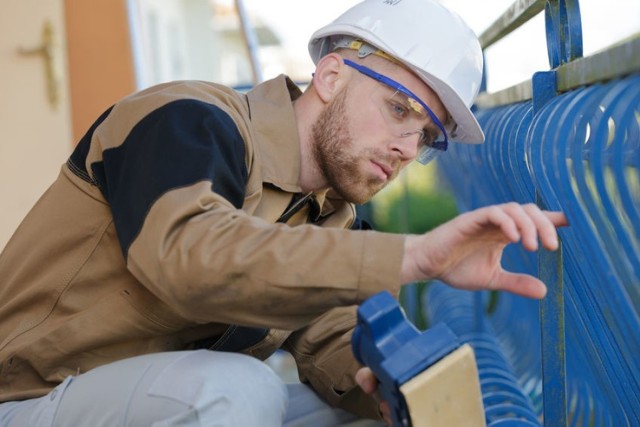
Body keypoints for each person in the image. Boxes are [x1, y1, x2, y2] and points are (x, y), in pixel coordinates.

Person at [0, 0, 567, 425]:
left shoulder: (330, 215)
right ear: (330, 75)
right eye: (399, 109)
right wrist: (415, 254)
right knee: (243, 390)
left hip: (144, 403)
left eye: (425, 138)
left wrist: (395, 388)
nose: (405, 148)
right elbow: (192, 259)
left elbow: (333, 338)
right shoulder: (186, 121)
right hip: (27, 396)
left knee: (362, 415)